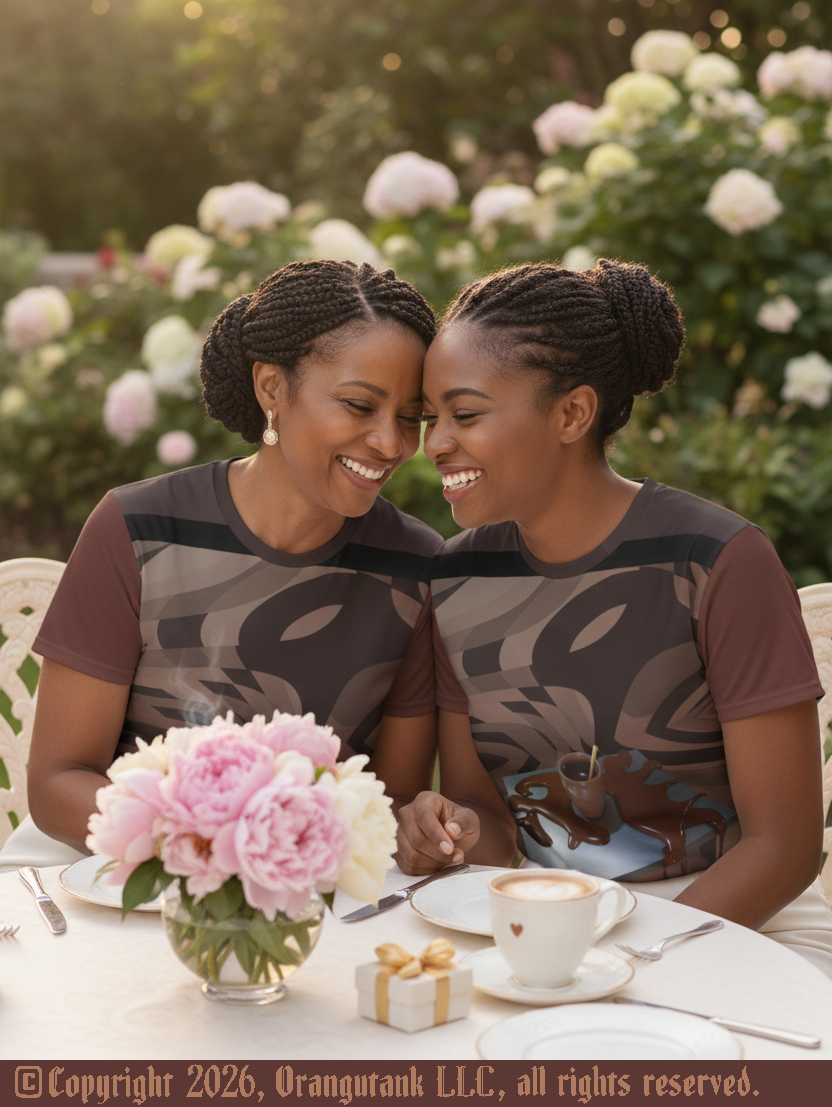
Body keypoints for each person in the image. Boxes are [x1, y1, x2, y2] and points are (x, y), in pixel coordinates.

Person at [396, 258, 832, 978]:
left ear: (572, 414)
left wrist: (620, 959)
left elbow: (782, 847)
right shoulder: (456, 579)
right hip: (552, 923)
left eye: (465, 415)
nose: (435, 442)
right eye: (431, 417)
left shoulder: (717, 562)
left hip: (740, 922)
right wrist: (452, 832)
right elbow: (490, 816)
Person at [5, 259, 441, 869]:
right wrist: (217, 849)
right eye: (359, 405)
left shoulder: (416, 569)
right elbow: (57, 783)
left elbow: (387, 805)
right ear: (271, 388)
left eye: (411, 418)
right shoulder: (139, 530)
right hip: (115, 875)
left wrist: (419, 826)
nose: (391, 443)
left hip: (309, 892)